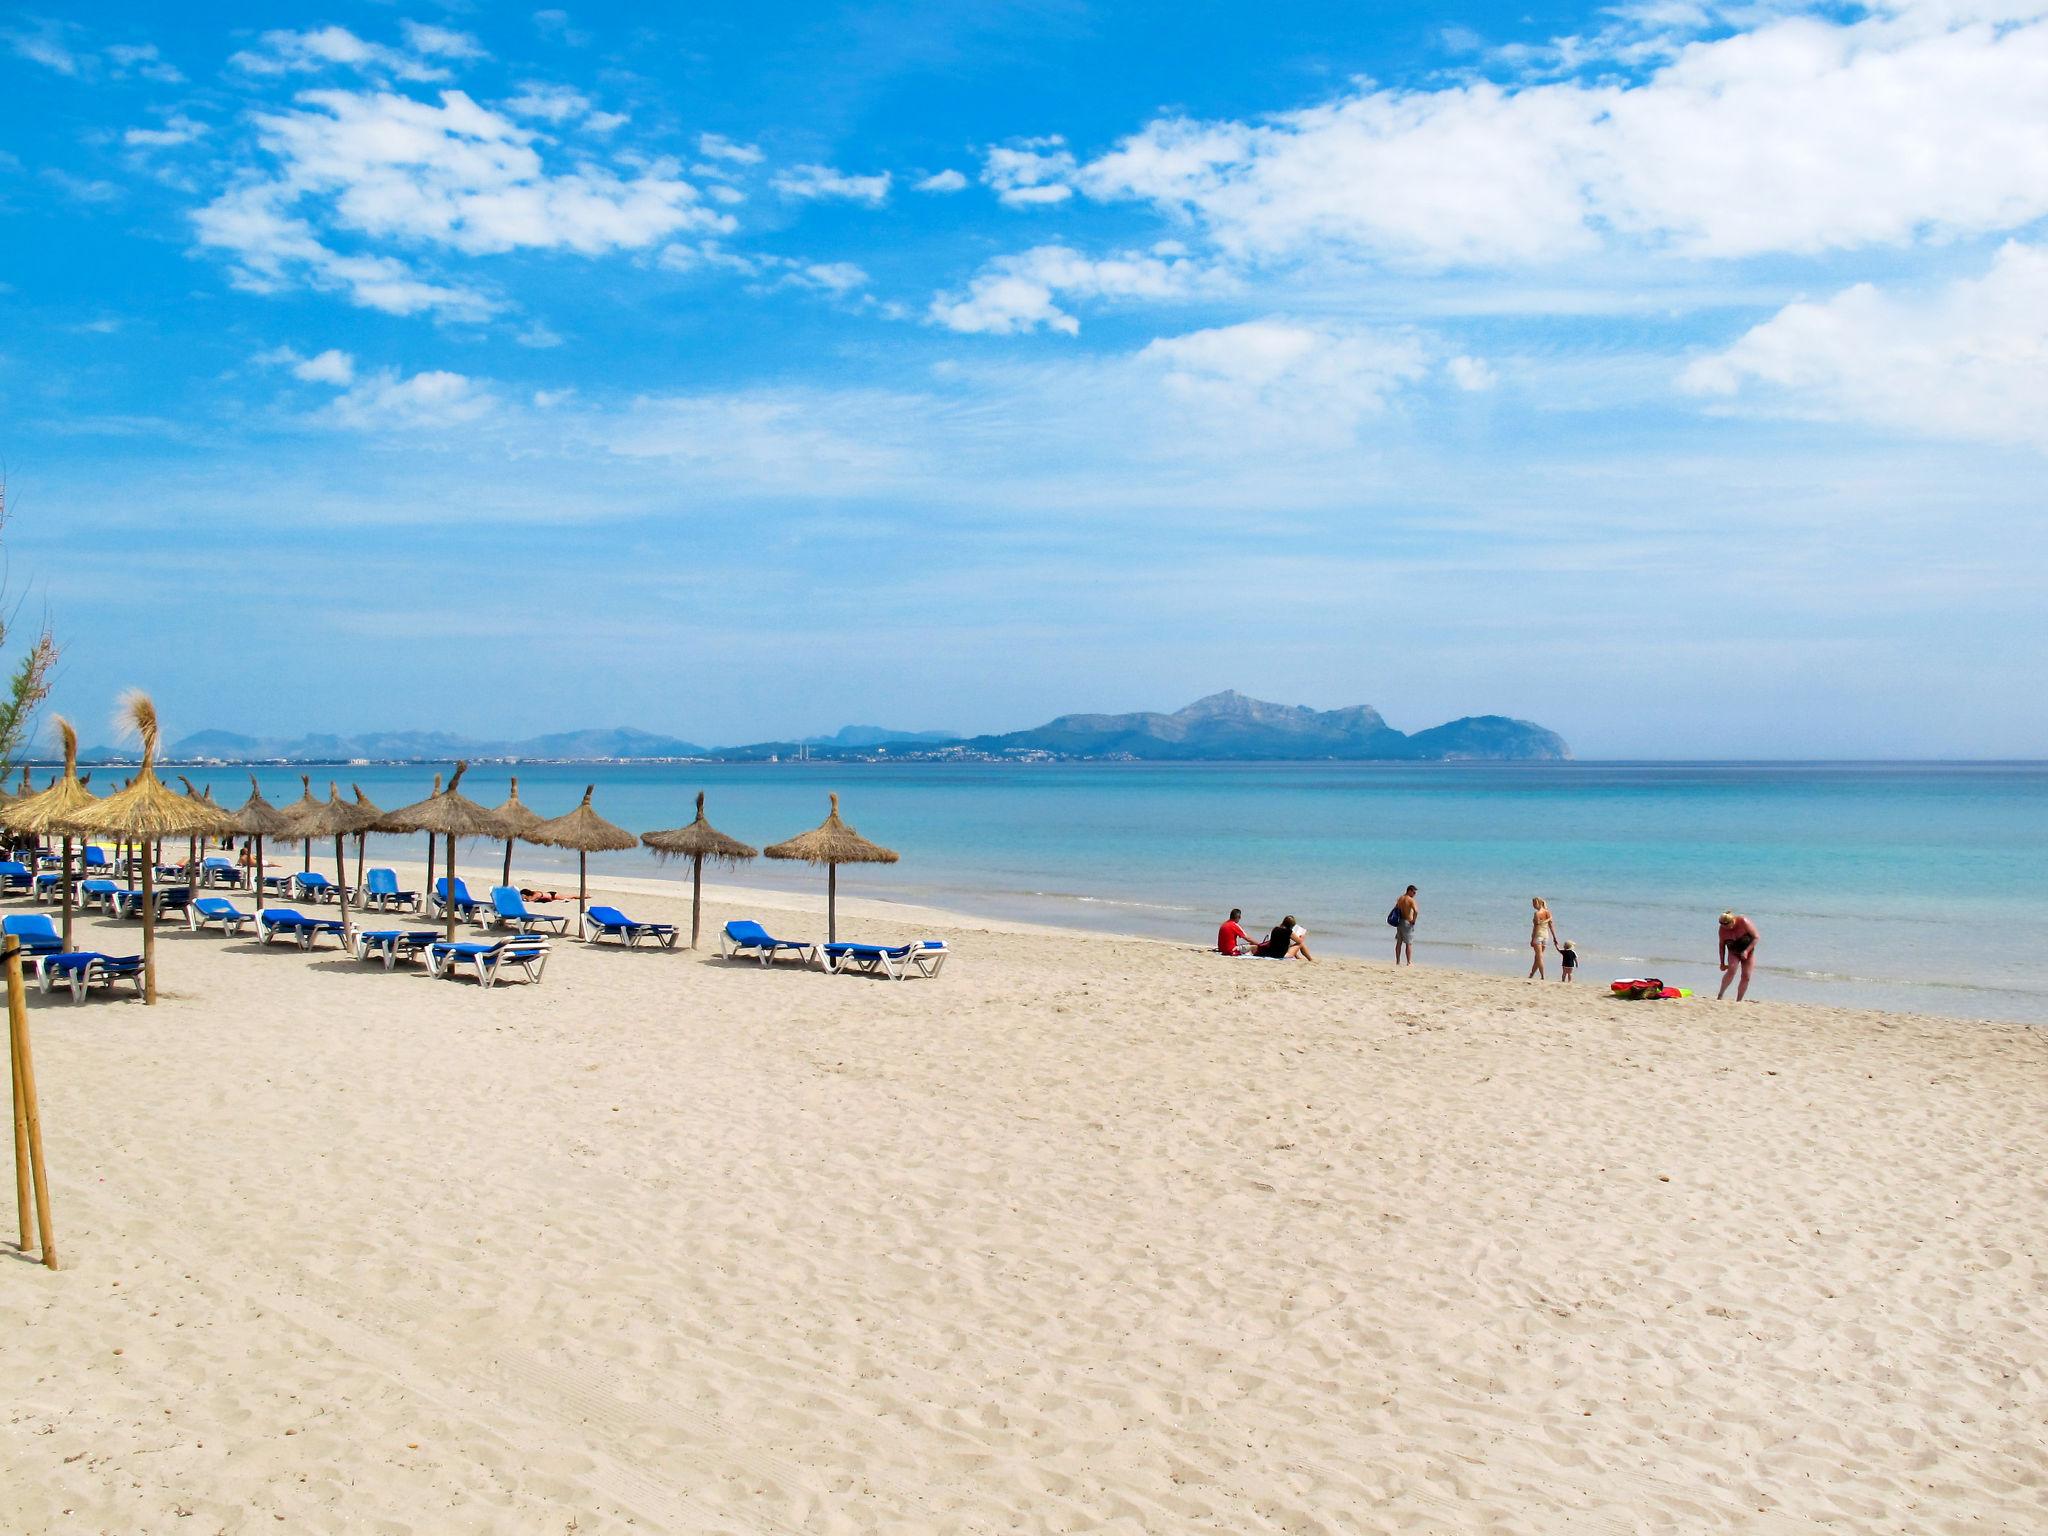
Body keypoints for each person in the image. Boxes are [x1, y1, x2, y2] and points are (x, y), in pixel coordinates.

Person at [1717, 911, 1760, 1000]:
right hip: (1733, 951)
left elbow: (1756, 937)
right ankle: (1720, 995)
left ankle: (1739, 1000)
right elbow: (1721, 946)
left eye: (1726, 925)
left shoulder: (1743, 921)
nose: (1725, 928)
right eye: (1722, 925)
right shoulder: (1722, 930)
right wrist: (1722, 962)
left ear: (1732, 921)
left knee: (1746, 976)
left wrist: (1746, 951)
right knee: (1731, 970)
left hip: (1748, 951)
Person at [1528, 896, 1559, 979]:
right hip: (1546, 936)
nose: (1533, 905)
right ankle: (1531, 974)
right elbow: (1551, 926)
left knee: (1539, 957)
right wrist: (1554, 937)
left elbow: (1537, 927)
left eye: (1534, 903)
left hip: (1538, 936)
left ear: (1538, 903)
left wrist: (1532, 939)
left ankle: (1542, 976)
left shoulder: (1537, 913)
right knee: (1538, 957)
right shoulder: (1547, 912)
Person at [1389, 884, 1418, 966]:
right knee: (1409, 943)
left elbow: (1395, 909)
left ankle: (1398, 961)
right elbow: (1416, 911)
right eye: (1414, 892)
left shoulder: (1400, 898)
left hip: (1400, 922)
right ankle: (1409, 962)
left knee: (1399, 942)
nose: (1414, 894)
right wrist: (1414, 920)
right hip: (1407, 923)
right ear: (1409, 891)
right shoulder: (1411, 900)